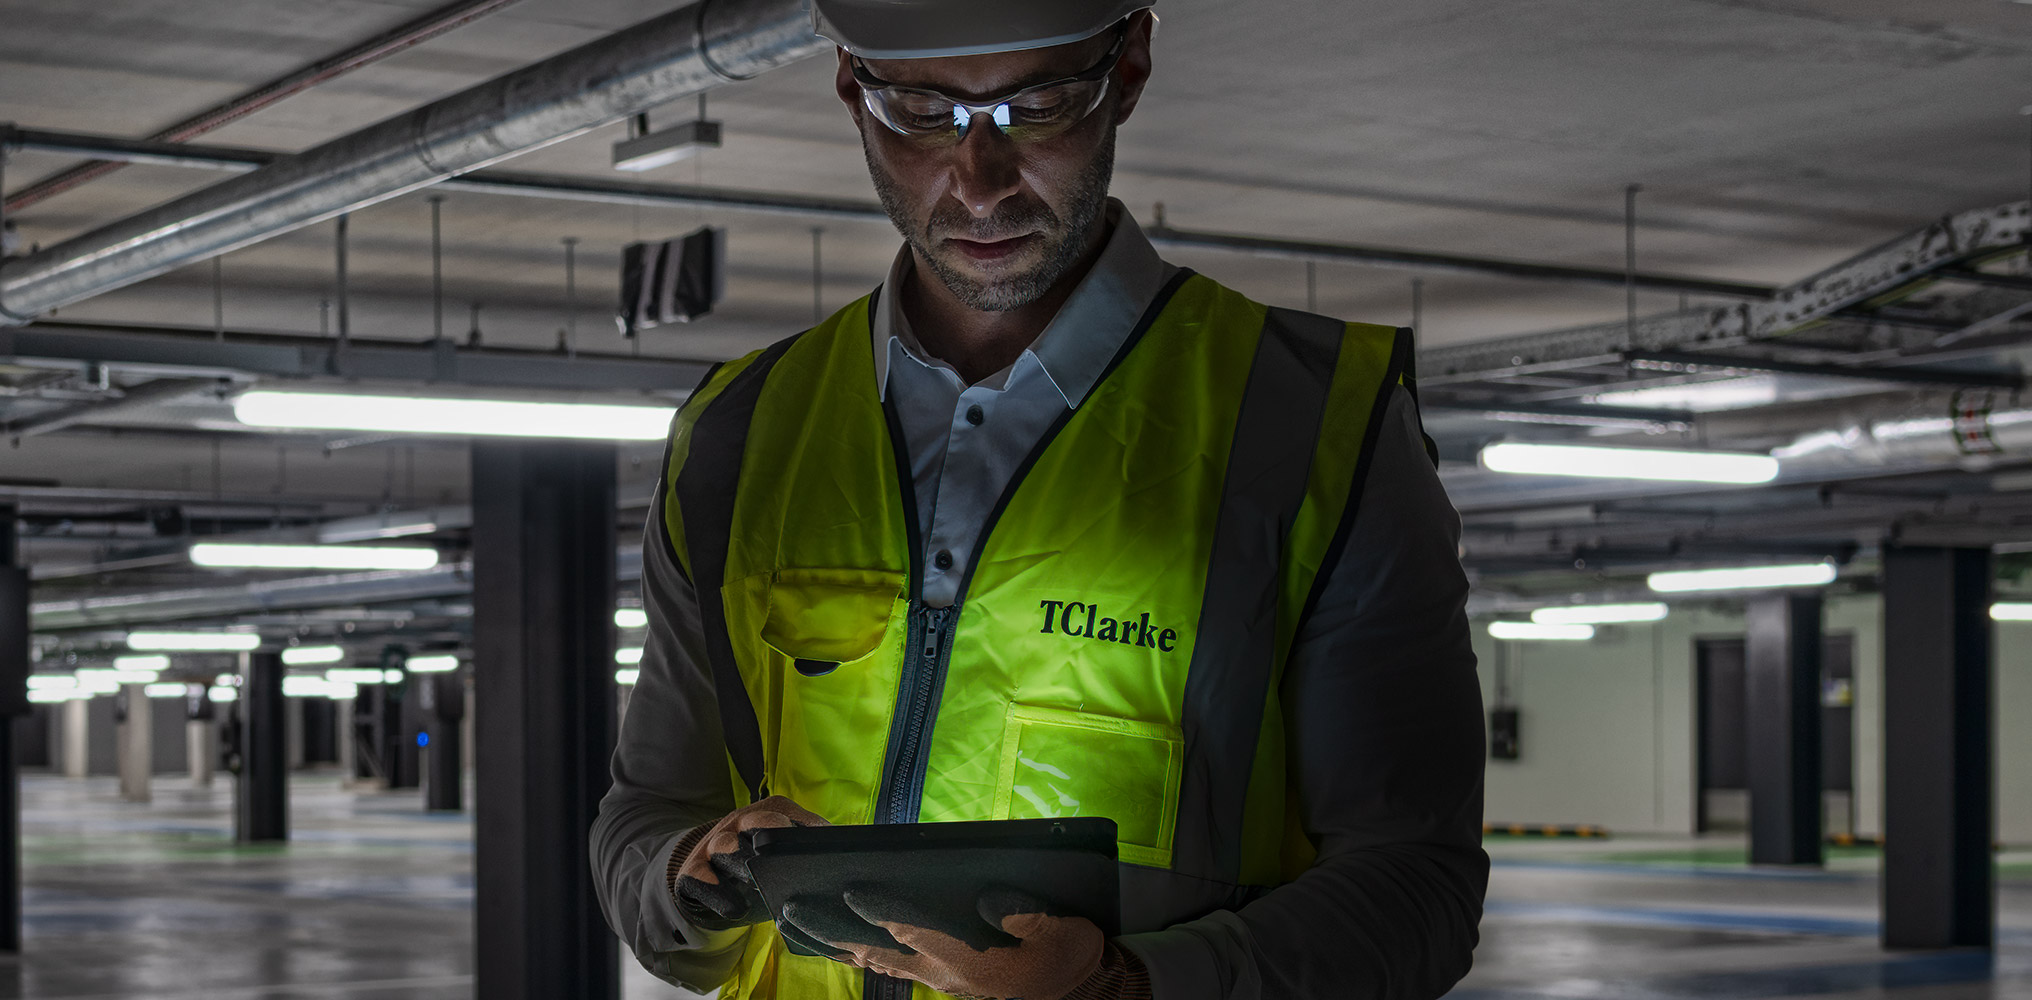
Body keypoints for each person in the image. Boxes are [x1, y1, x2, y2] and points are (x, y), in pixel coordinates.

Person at [589, 1, 1488, 997]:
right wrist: (689, 878)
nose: (979, 184)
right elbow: (646, 818)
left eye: (1042, 105)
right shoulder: (738, 434)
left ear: (1131, 68)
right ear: (850, 89)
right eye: (922, 114)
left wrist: (1129, 985)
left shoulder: (1313, 423)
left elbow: (1419, 888)